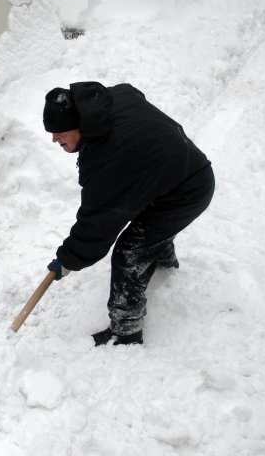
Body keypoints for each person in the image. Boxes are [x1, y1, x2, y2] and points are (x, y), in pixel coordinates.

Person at [42, 82, 215, 346]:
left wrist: (68, 259)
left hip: (186, 189)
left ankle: (126, 332)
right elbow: (132, 92)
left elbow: (96, 225)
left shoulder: (107, 159)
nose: (55, 139)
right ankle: (163, 260)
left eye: (60, 132)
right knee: (148, 224)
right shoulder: (108, 99)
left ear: (81, 125)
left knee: (129, 252)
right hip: (172, 172)